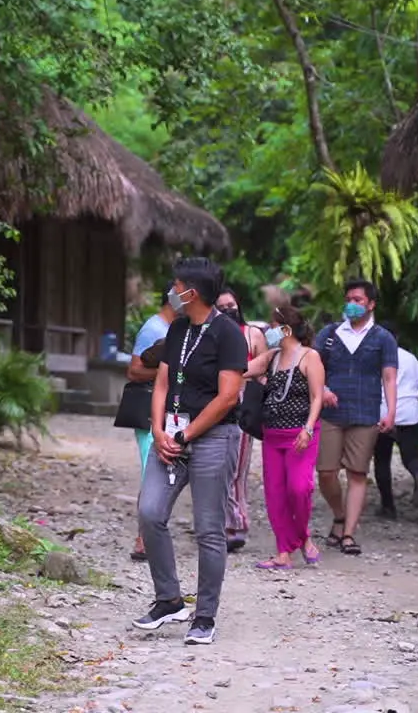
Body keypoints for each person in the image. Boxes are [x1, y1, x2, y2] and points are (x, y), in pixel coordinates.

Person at [133, 257, 247, 645]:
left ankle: (205, 616)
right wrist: (159, 427)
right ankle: (168, 600)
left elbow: (228, 396)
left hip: (213, 437)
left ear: (191, 292)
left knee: (208, 529)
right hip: (172, 433)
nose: (171, 291)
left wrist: (186, 436)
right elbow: (163, 381)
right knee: (150, 512)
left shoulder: (228, 333)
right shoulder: (179, 327)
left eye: (176, 284)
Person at [314, 279, 399, 556]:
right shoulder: (328, 334)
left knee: (357, 472)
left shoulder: (383, 338)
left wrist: (391, 411)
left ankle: (348, 532)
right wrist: (323, 389)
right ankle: (339, 514)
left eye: (358, 300)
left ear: (371, 304)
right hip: (330, 412)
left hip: (365, 412)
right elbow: (312, 367)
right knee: (326, 472)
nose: (352, 304)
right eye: (349, 299)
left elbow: (389, 376)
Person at [244, 306, 325, 569]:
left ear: (286, 329)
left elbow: (317, 397)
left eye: (273, 325)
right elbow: (241, 370)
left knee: (299, 489)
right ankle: (283, 552)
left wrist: (309, 428)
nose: (269, 330)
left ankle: (303, 537)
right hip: (272, 434)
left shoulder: (310, 357)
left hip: (300, 435)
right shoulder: (272, 356)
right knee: (275, 494)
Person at [124, 290, 178, 561]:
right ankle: (143, 538)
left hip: (165, 411)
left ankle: (149, 535)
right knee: (151, 472)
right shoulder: (153, 328)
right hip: (147, 411)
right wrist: (171, 371)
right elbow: (134, 370)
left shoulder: (174, 328)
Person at [214, 288, 268, 552]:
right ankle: (219, 523)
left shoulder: (253, 334)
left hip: (243, 407)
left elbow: (264, 371)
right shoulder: (211, 334)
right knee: (214, 467)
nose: (227, 310)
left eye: (231, 305)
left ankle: (237, 523)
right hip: (214, 405)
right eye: (221, 306)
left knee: (237, 470)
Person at [373, 324, 418, 516]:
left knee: (382, 460)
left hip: (380, 414)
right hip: (408, 413)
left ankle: (388, 506)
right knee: (411, 456)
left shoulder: (372, 358)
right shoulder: (409, 357)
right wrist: (411, 395)